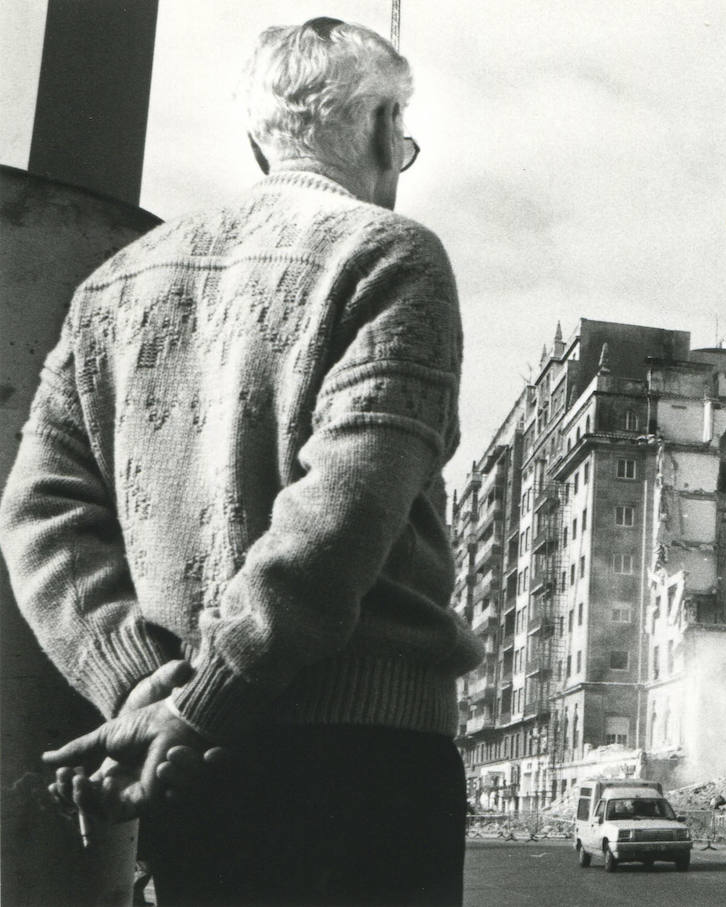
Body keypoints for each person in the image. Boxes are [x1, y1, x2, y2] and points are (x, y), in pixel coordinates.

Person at [0, 16, 482, 906]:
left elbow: (39, 511)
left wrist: (143, 689)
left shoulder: (111, 287)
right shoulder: (391, 253)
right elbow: (341, 515)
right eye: (401, 139)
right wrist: (194, 706)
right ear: (381, 129)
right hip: (364, 764)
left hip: (188, 771)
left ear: (258, 143)